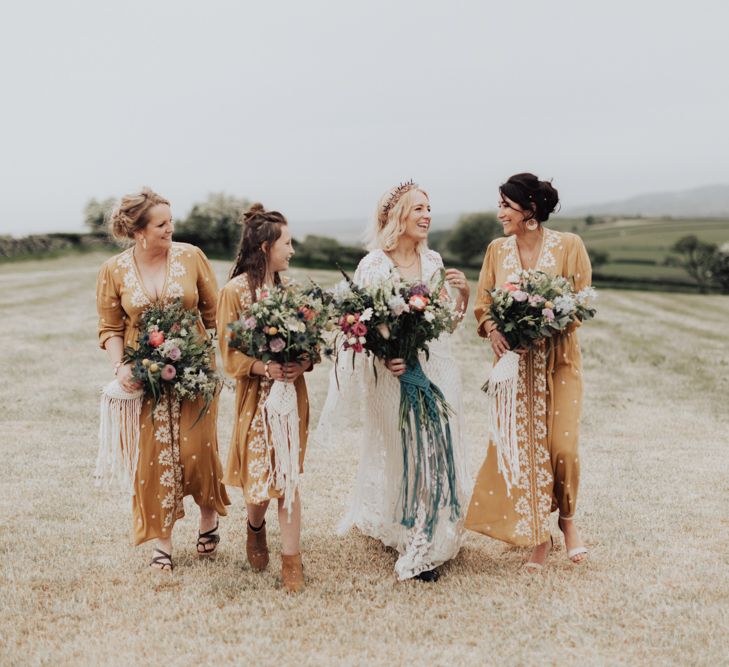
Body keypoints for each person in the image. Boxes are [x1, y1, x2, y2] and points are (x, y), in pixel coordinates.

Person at [321, 182, 471, 582]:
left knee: (433, 448)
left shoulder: (434, 261)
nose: (427, 216)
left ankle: (427, 535)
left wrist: (464, 297)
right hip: (392, 376)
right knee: (407, 450)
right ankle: (410, 530)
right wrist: (389, 357)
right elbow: (360, 327)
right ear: (398, 216)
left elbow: (447, 326)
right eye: (418, 208)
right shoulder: (374, 265)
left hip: (434, 369)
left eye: (429, 208)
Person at [96, 187, 230, 571]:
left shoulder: (191, 257)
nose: (171, 228)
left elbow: (212, 312)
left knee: (198, 447)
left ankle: (208, 517)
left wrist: (210, 357)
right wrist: (121, 367)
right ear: (139, 230)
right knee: (155, 458)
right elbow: (110, 327)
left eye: (171, 221)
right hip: (146, 376)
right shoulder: (114, 270)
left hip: (196, 372)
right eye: (162, 223)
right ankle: (163, 543)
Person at [465, 173, 591, 569]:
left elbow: (580, 303)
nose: (500, 212)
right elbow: (484, 304)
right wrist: (493, 330)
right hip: (513, 369)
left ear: (530, 209)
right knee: (526, 451)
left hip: (558, 362)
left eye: (506, 205)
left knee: (562, 448)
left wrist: (544, 325)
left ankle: (568, 521)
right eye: (500, 204)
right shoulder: (496, 251)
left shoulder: (570, 246)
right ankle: (540, 537)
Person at [216, 203, 312, 593]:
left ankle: (292, 561)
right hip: (256, 399)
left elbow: (309, 345)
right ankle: (255, 526)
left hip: (291, 397)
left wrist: (302, 363)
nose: (292, 250)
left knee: (286, 476)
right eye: (286, 243)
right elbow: (229, 354)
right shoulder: (234, 292)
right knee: (261, 477)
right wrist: (264, 368)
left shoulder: (291, 292)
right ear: (264, 247)